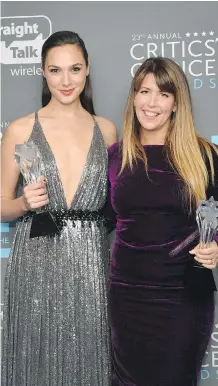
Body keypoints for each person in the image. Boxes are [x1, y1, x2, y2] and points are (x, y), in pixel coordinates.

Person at [1, 30, 117, 386]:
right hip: (36, 257)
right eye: (55, 70)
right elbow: (2, 205)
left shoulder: (107, 131)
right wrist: (22, 203)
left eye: (75, 69)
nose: (66, 81)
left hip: (91, 262)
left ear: (87, 70)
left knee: (90, 358)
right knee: (34, 359)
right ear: (42, 71)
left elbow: (119, 208)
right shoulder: (21, 129)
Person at [106, 57, 218, 386]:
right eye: (144, 91)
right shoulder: (116, 155)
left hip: (182, 296)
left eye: (163, 94)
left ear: (176, 103)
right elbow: (104, 219)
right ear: (133, 97)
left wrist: (215, 248)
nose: (151, 102)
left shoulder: (204, 155)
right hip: (126, 295)